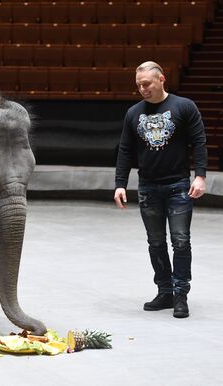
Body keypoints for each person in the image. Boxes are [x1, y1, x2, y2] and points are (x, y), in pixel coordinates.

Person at [114, 61, 207, 319]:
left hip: (178, 184)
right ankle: (164, 291)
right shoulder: (133, 113)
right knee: (155, 242)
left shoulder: (183, 107)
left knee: (180, 240)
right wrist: (120, 183)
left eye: (147, 83)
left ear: (161, 79)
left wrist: (200, 176)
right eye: (139, 85)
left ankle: (180, 294)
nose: (142, 89)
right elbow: (125, 150)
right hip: (148, 187)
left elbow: (199, 142)